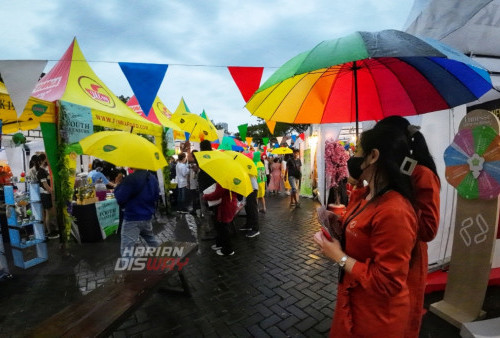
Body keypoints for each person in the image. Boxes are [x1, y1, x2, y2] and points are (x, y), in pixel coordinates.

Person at [314, 125, 418, 337]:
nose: (352, 156)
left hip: (376, 316)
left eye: (357, 150)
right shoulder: (367, 195)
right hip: (355, 298)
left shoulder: (394, 210)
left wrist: (340, 258)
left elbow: (388, 282)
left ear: (373, 156)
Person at [375, 116, 441, 337]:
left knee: (404, 319)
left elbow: (429, 230)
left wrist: (401, 206)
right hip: (390, 253)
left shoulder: (422, 174)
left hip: (411, 260)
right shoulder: (393, 170)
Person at [114, 168, 161, 257]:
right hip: (147, 216)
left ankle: (127, 270)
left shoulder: (130, 178)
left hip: (132, 218)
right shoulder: (152, 177)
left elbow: (120, 198)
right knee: (151, 239)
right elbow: (156, 196)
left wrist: (118, 185)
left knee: (127, 250)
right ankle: (164, 258)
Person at [203, 182, 238, 256]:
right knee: (220, 225)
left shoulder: (223, 181)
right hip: (230, 203)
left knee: (223, 227)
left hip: (226, 205)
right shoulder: (231, 179)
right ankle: (220, 244)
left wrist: (205, 196)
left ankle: (228, 250)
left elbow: (217, 195)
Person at [197, 140, 217, 241]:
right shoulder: (214, 156)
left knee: (205, 210)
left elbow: (192, 159)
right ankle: (214, 229)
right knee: (213, 209)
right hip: (213, 186)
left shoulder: (200, 156)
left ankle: (210, 231)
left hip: (204, 188)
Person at [36, 153, 59, 239]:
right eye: (46, 159)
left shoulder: (44, 170)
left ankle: (51, 230)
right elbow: (45, 185)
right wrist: (51, 191)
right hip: (45, 194)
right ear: (42, 160)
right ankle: (49, 232)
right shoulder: (41, 172)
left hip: (47, 194)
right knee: (48, 213)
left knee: (49, 213)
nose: (48, 160)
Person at [188, 150, 201, 216]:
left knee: (195, 197)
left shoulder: (197, 163)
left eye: (191, 155)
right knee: (195, 197)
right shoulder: (193, 162)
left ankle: (195, 210)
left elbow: (197, 172)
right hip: (193, 183)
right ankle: (195, 209)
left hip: (195, 184)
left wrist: (195, 170)